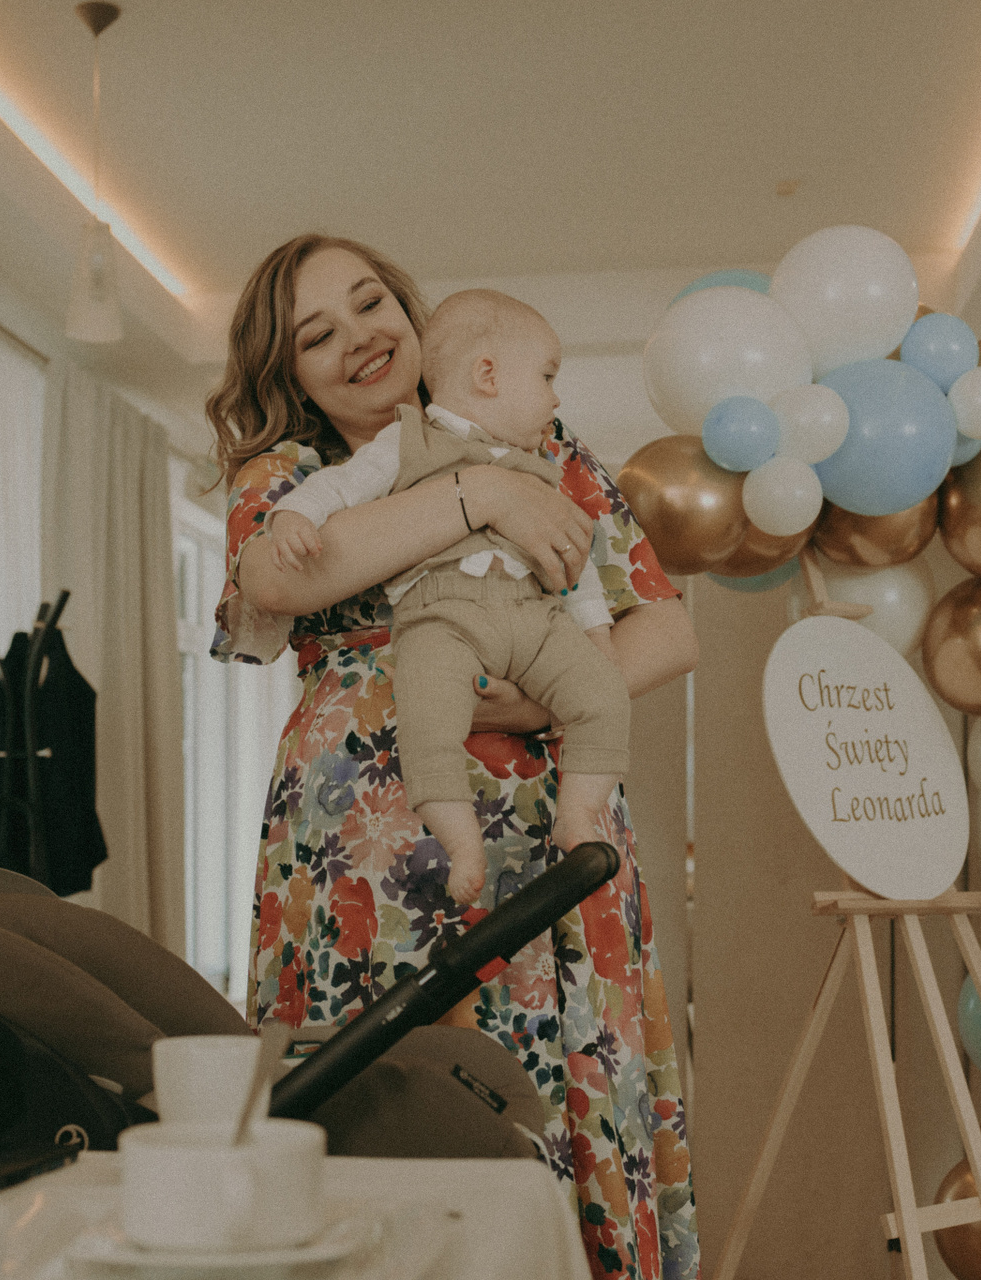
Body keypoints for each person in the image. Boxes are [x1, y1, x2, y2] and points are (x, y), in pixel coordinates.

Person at [207, 234, 700, 1280]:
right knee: (391, 1112)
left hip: (551, 841)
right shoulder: (290, 475)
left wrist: (543, 693)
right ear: (290, 375)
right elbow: (278, 580)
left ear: (408, 307)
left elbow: (665, 624)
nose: (358, 338)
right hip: (368, 874)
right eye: (316, 336)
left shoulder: (540, 437)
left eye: (369, 302)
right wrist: (479, 494)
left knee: (555, 1114)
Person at [265, 288, 628, 906]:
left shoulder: (544, 463)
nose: (555, 398)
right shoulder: (407, 442)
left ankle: (578, 814)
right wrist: (293, 516)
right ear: (487, 375)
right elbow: (341, 487)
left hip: (535, 617)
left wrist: (596, 635)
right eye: (546, 377)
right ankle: (461, 842)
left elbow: (575, 557)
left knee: (605, 698)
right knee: (429, 725)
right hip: (440, 618)